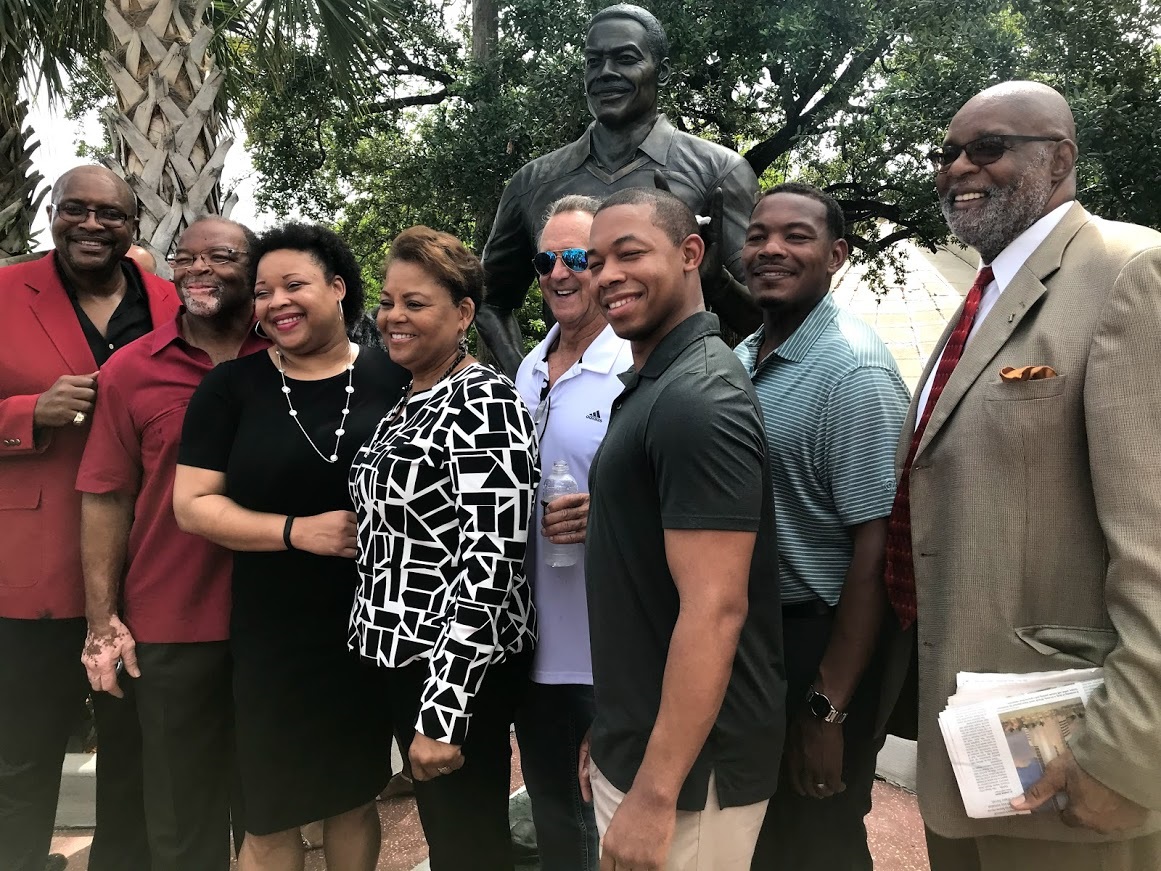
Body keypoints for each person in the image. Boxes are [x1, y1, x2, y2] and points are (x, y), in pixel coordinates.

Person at [884, 81, 1161, 870]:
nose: (958, 166)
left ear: (1060, 158)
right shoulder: (976, 299)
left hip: (1077, 765)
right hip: (973, 756)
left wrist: (1127, 751)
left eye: (988, 147)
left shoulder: (1127, 272)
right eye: (946, 152)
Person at [172, 223, 408, 871]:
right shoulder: (230, 388)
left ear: (337, 287)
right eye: (262, 291)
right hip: (271, 634)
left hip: (370, 629)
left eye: (293, 284)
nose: (275, 301)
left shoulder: (398, 379)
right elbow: (192, 505)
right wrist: (294, 531)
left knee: (354, 799)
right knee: (268, 814)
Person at [580, 187, 784, 869]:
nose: (604, 274)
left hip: (695, 776)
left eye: (628, 252)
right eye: (594, 258)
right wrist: (613, 735)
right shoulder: (653, 386)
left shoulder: (699, 398)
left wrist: (654, 789)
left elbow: (715, 608)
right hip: (643, 742)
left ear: (690, 252)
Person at [0, 164, 178, 871]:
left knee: (135, 760)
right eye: (76, 209)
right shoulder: (7, 292)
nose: (92, 225)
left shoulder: (170, 302)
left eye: (111, 215)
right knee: (22, 757)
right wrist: (24, 414)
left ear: (133, 226)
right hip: (33, 574)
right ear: (53, 213)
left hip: (148, 570)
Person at [76, 216, 265, 869]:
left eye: (221, 256)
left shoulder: (292, 356)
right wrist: (102, 620)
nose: (199, 269)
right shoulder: (130, 371)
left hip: (277, 623)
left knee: (273, 812)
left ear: (255, 270)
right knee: (182, 822)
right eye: (186, 258)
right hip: (171, 627)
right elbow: (106, 495)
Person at [348, 226, 539, 871]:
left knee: (468, 846)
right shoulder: (415, 394)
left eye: (416, 303)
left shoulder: (484, 407)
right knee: (453, 839)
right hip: (404, 654)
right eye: (387, 301)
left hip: (454, 670)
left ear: (462, 314)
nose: (393, 317)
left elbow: (490, 562)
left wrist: (442, 712)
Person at [733, 183, 909, 870]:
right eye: (756, 235)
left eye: (795, 235)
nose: (770, 248)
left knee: (816, 840)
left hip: (819, 641)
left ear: (835, 254)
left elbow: (878, 548)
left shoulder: (852, 372)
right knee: (761, 836)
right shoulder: (745, 359)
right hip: (754, 641)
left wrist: (826, 707)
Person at [477, 3, 760, 376]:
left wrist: (716, 284)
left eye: (625, 58)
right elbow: (487, 300)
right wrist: (530, 380)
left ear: (663, 72)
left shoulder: (719, 172)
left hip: (673, 403)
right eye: (594, 62)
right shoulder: (533, 182)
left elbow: (767, 316)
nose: (606, 73)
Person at [512, 195, 632, 871]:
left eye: (578, 257)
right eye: (545, 259)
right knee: (555, 808)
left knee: (608, 815)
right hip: (530, 639)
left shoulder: (632, 368)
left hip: (604, 647)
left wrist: (608, 510)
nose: (560, 272)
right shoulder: (528, 370)